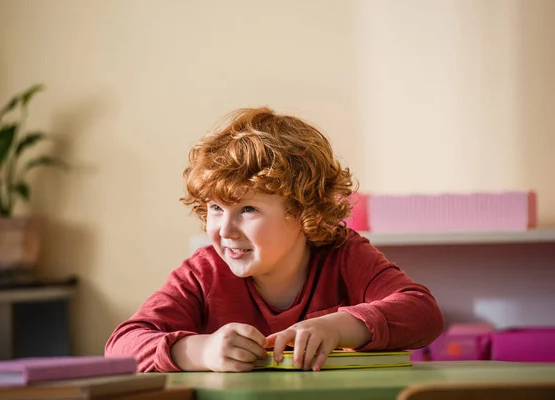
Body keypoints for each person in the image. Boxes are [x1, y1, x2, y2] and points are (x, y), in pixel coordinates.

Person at [104, 107, 444, 372]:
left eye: (248, 209)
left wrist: (338, 327)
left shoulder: (343, 254)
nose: (225, 229)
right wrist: (201, 350)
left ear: (302, 210)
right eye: (216, 208)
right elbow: (121, 345)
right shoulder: (202, 272)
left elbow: (423, 313)